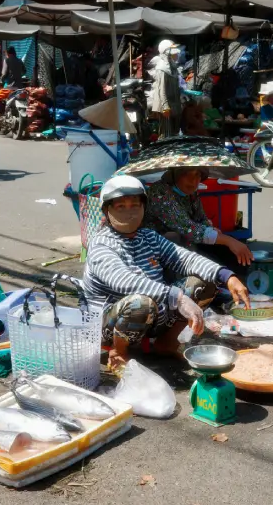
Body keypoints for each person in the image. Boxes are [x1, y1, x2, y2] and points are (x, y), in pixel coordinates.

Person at [83, 176, 250, 371]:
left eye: (135, 205)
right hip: (109, 324)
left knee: (205, 282)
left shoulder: (148, 236)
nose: (129, 212)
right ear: (107, 210)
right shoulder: (101, 244)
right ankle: (118, 352)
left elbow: (185, 258)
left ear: (144, 207)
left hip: (154, 313)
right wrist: (177, 297)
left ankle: (166, 342)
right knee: (140, 303)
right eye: (121, 206)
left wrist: (226, 276)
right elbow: (124, 281)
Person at [145, 168, 253, 268]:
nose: (193, 180)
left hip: (189, 242)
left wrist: (211, 229)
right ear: (175, 175)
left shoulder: (190, 192)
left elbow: (201, 218)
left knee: (231, 257)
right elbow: (187, 228)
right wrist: (228, 241)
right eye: (186, 174)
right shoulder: (159, 191)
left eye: (197, 174)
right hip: (160, 248)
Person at [151, 39, 182, 139]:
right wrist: (165, 106)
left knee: (174, 133)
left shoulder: (173, 67)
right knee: (166, 134)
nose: (176, 55)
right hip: (165, 105)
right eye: (173, 53)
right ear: (167, 54)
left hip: (173, 104)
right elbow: (161, 90)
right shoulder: (162, 68)